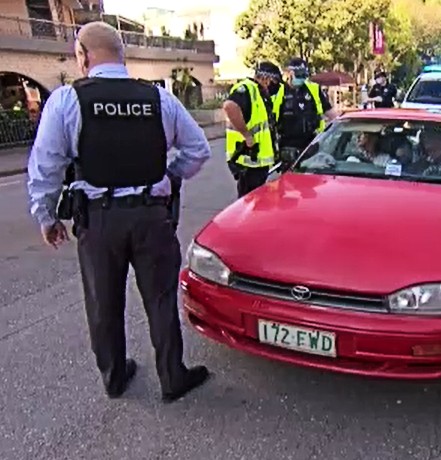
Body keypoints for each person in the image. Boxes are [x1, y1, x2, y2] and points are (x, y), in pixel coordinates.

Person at [26, 21, 211, 403]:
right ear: (123, 55)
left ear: (83, 56)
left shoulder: (65, 100)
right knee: (160, 299)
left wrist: (47, 217)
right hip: (151, 216)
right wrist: (168, 178)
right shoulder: (158, 98)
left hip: (98, 220)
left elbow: (45, 167)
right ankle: (172, 377)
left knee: (103, 301)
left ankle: (114, 377)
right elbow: (198, 151)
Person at [222, 62, 280, 197]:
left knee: (257, 202)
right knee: (248, 203)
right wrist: (246, 135)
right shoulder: (247, 89)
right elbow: (229, 106)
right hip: (248, 161)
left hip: (257, 163)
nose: (275, 86)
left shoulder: (260, 93)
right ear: (266, 78)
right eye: (274, 81)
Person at [273, 57, 339, 165]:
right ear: (290, 73)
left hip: (312, 143)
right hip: (288, 146)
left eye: (304, 75)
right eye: (299, 75)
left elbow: (331, 113)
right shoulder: (279, 92)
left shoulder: (314, 89)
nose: (302, 79)